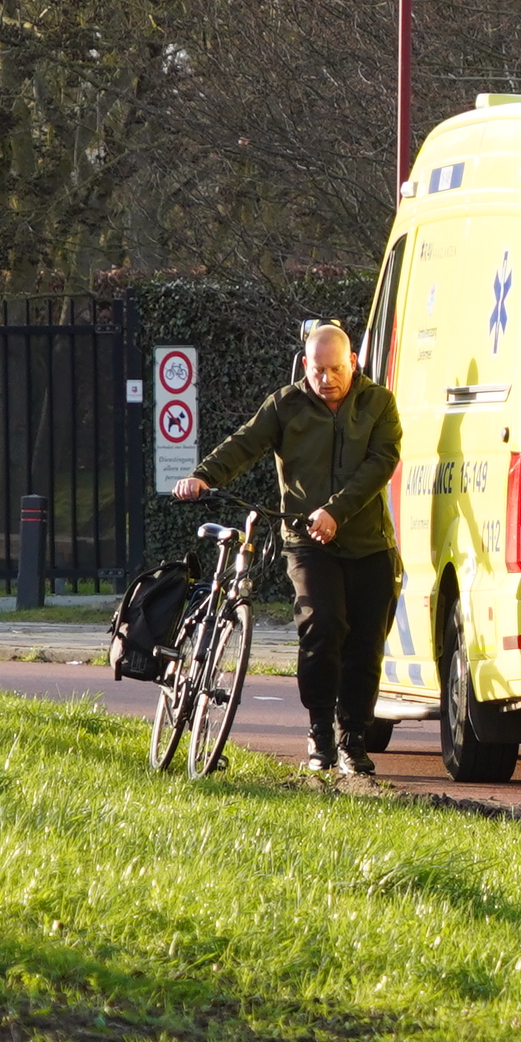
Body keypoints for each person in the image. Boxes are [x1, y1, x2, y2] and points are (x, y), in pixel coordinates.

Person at [176, 319, 403, 778]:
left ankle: (352, 737)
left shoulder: (378, 403)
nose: (326, 379)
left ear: (353, 363)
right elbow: (245, 444)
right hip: (307, 542)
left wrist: (336, 511)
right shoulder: (286, 404)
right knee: (322, 628)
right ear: (306, 365)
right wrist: (203, 476)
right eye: (317, 370)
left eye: (335, 369)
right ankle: (320, 730)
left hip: (368, 544)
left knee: (365, 645)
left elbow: (381, 464)